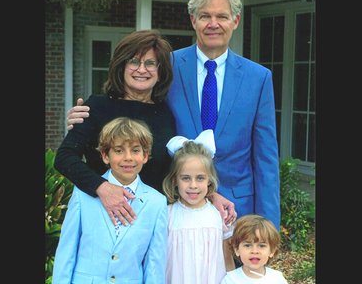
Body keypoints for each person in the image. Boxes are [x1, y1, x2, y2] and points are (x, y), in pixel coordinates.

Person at [66, 0, 280, 230]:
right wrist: (85, 117)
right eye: (204, 16)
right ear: (193, 20)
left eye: (221, 16)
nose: (213, 24)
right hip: (174, 206)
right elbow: (130, 104)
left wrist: (268, 226)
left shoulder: (258, 78)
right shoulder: (164, 66)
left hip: (237, 209)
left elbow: (266, 157)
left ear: (235, 20)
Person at [56, 29, 236, 230]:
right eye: (134, 61)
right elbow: (64, 157)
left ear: (161, 72)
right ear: (122, 66)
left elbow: (175, 168)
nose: (141, 69)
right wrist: (102, 188)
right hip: (100, 214)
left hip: (150, 222)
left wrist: (210, 194)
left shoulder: (166, 114)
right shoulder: (97, 106)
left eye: (150, 63)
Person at [49, 117, 168, 284]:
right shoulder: (83, 194)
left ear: (146, 156)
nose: (128, 158)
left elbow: (155, 263)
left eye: (135, 150)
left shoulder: (157, 202)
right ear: (105, 155)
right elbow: (66, 250)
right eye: (119, 150)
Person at [155, 130, 233, 284]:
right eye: (186, 178)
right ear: (175, 181)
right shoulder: (167, 215)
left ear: (209, 181)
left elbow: (227, 257)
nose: (193, 185)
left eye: (200, 178)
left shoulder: (218, 216)